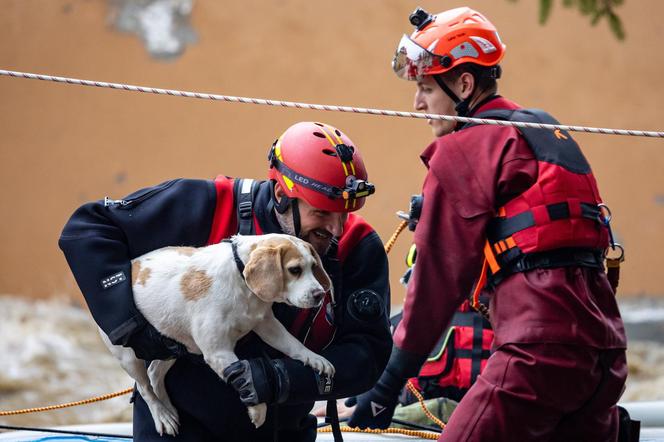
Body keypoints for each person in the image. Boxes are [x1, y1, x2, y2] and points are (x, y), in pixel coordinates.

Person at [347, 7, 627, 441]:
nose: (417, 104)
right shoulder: (546, 133)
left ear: (463, 84)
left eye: (424, 88)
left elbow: (435, 283)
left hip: (536, 355)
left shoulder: (463, 150)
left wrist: (385, 389)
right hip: (605, 358)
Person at [58, 121, 392, 442]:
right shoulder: (209, 204)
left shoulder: (357, 246)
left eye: (343, 214)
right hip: (179, 426)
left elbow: (369, 356)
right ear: (280, 193)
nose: (336, 230)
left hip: (281, 431)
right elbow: (86, 230)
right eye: (321, 212)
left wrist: (281, 379)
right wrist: (127, 324)